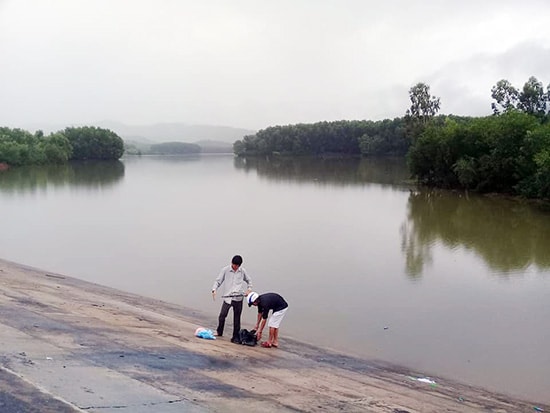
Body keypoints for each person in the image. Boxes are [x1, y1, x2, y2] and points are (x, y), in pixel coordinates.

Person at [212, 255, 252, 343]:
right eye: (234, 265)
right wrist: (214, 289)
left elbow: (249, 281)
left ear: (239, 265)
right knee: (222, 315)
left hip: (238, 298)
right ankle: (219, 331)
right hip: (227, 298)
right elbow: (218, 281)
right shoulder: (225, 270)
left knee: (237, 318)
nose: (235, 267)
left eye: (237, 266)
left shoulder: (242, 271)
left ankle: (235, 336)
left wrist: (249, 290)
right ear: (231, 263)